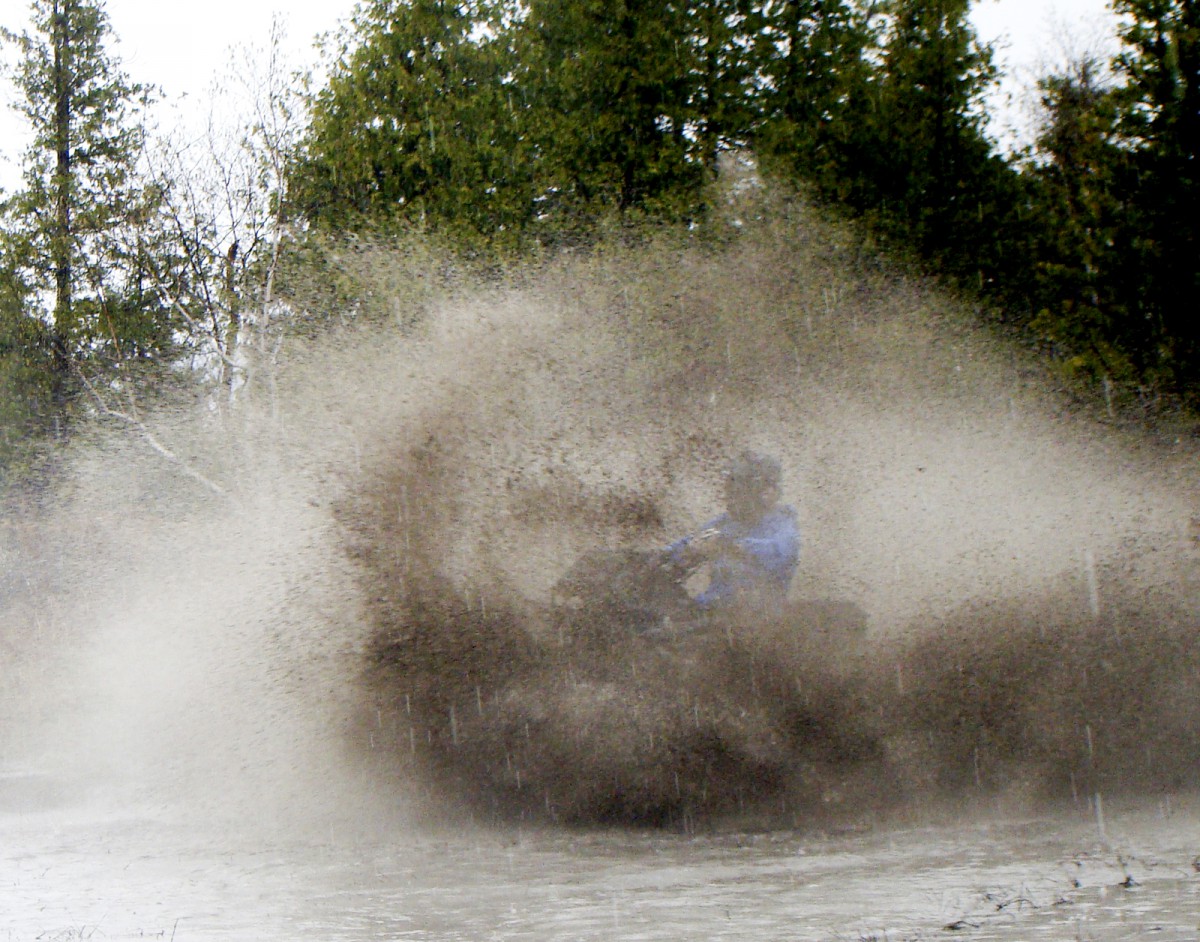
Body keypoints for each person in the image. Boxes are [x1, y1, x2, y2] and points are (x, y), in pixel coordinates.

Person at [666, 451, 800, 616]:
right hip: (710, 613)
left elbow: (778, 553)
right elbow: (681, 547)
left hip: (757, 624)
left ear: (767, 492)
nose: (730, 497)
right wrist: (683, 552)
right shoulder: (725, 524)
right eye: (730, 488)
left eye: (739, 490)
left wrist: (727, 546)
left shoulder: (783, 527)